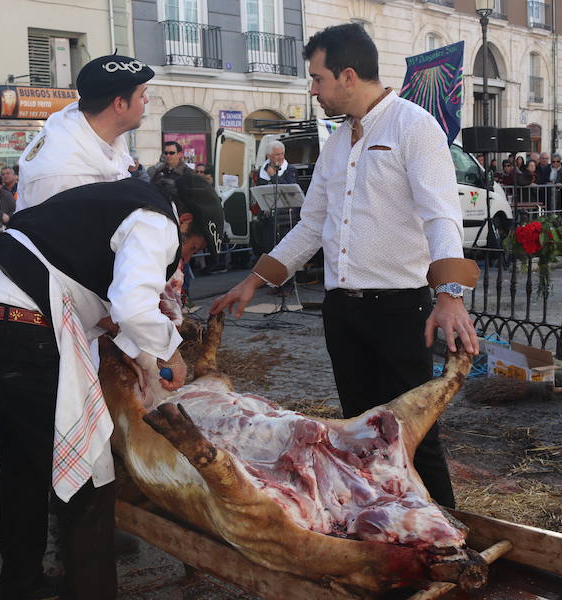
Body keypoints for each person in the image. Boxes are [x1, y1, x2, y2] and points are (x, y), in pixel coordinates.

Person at [211, 23, 479, 509]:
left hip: (400, 312)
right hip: (342, 311)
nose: (312, 90)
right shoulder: (336, 143)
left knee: (412, 437)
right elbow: (312, 225)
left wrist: (450, 296)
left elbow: (442, 215)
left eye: (317, 79)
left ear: (349, 76)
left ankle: (447, 540)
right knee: (360, 432)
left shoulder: (414, 126)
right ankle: (384, 526)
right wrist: (255, 280)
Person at [0, 176, 223, 599]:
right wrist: (170, 352)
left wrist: (143, 358)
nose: (184, 260)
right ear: (184, 221)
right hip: (19, 322)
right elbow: (133, 306)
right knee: (82, 460)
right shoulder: (157, 223)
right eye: (191, 248)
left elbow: (101, 303)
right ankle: (87, 589)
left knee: (23, 461)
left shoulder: (120, 199)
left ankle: (21, 582)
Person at [16, 54, 154, 211]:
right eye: (142, 95)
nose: (147, 100)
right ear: (120, 104)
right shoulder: (63, 173)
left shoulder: (100, 136)